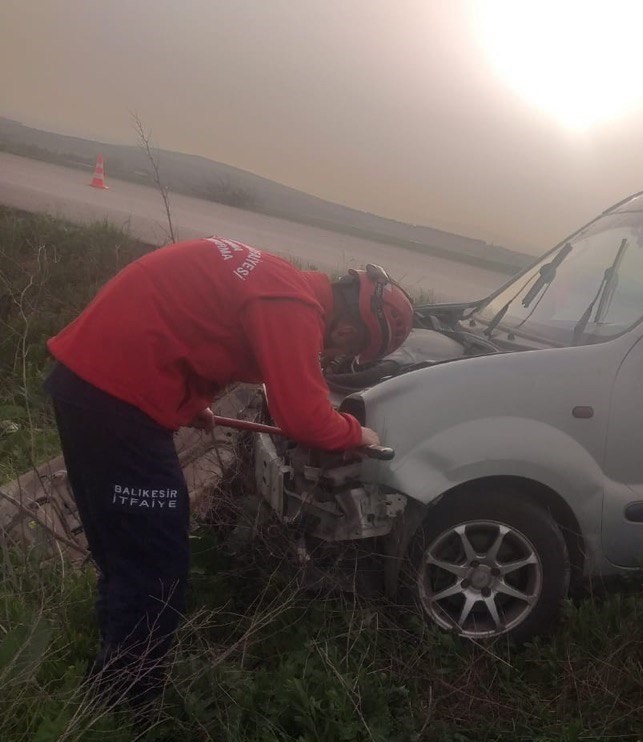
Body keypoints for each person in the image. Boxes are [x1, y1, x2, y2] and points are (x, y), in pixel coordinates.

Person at [42, 236, 414, 712]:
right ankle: (122, 712)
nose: (331, 355)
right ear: (347, 333)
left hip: (89, 382)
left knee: (126, 553)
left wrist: (188, 400)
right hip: (116, 398)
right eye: (344, 351)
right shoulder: (293, 306)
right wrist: (353, 433)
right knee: (157, 568)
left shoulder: (278, 277)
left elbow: (197, 329)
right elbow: (302, 417)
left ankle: (107, 679)